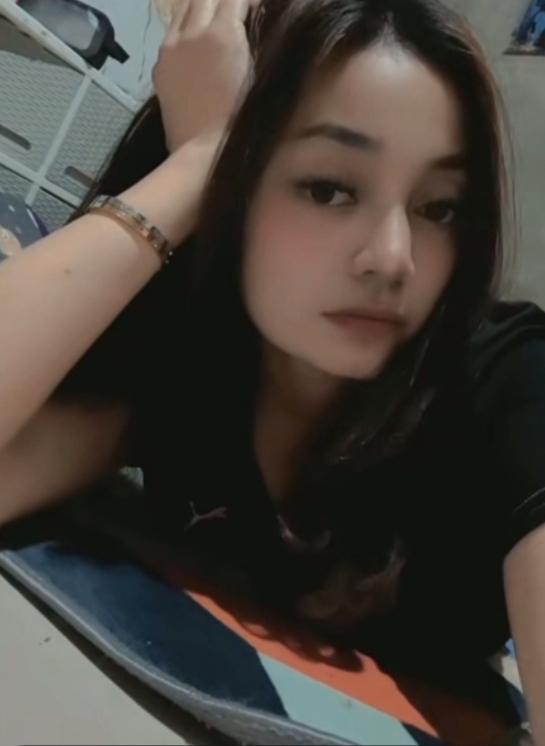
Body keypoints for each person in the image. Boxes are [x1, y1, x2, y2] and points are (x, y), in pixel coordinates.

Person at [1, 0, 545, 739]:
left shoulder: (508, 381)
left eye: (439, 207)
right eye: (329, 188)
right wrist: (198, 163)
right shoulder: (193, 358)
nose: (393, 258)